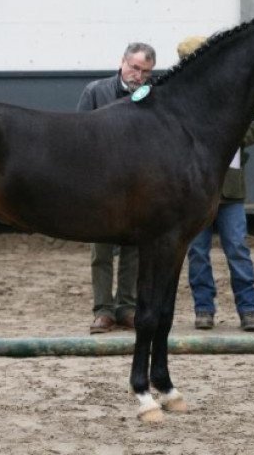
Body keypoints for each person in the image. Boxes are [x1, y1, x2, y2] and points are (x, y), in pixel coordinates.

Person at [176, 36, 254, 332]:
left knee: (237, 248)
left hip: (229, 186)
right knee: (197, 252)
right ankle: (204, 308)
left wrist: (228, 139)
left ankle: (248, 309)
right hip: (192, 188)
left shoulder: (234, 90)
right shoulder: (179, 95)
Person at [76, 42, 156, 334]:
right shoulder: (96, 91)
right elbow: (79, 133)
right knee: (101, 250)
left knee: (133, 249)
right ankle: (103, 310)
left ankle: (126, 307)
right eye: (135, 68)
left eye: (145, 71)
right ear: (122, 62)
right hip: (101, 185)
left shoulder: (153, 94)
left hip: (137, 185)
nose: (139, 75)